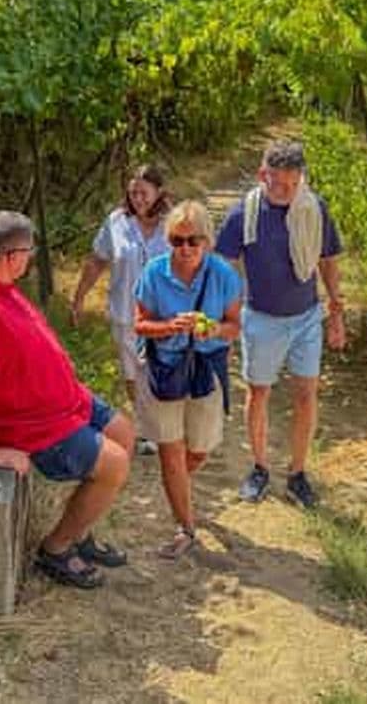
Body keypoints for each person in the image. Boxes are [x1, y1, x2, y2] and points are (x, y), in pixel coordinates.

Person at [0, 211, 134, 590]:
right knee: (114, 465)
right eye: (29, 251)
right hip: (28, 423)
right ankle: (56, 549)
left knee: (123, 432)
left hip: (61, 401)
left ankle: (79, 531)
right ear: (12, 257)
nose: (31, 257)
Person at [215, 140, 346, 509]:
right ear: (263, 175)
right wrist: (226, 320)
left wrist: (337, 313)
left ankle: (298, 474)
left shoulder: (314, 208)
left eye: (293, 183)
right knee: (259, 393)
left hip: (306, 318)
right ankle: (259, 468)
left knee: (306, 395)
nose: (286, 191)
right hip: (261, 319)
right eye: (278, 183)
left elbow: (328, 261)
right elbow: (224, 268)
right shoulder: (244, 213)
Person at [134, 200, 242, 560]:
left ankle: (178, 481)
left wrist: (213, 330)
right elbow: (139, 323)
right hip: (164, 369)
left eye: (193, 240)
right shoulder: (154, 272)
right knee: (171, 451)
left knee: (199, 449)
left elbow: (234, 325)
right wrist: (169, 327)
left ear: (207, 241)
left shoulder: (223, 275)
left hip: (206, 368)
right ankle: (185, 526)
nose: (185, 248)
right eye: (177, 241)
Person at [71, 165, 169, 456]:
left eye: (144, 193)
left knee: (162, 369)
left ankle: (167, 423)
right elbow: (96, 262)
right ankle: (149, 428)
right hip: (126, 313)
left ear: (159, 192)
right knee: (133, 372)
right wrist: (79, 298)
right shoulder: (116, 222)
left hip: (165, 315)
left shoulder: (173, 223)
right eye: (133, 192)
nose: (138, 198)